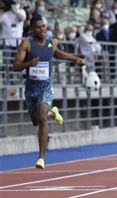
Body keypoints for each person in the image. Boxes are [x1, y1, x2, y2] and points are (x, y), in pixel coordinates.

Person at [12, 15, 86, 169]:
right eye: (38, 27)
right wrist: (28, 63)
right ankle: (53, 113)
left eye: (43, 26)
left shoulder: (52, 42)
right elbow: (16, 66)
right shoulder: (27, 44)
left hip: (46, 86)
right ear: (32, 29)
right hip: (31, 87)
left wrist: (75, 59)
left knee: (42, 120)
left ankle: (41, 157)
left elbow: (57, 53)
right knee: (36, 121)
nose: (42, 29)